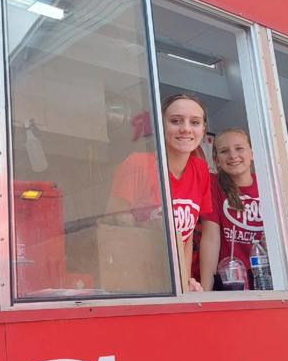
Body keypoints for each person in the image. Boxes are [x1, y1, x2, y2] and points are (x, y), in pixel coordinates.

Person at [107, 94, 214, 291]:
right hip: (134, 283)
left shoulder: (200, 170)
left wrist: (184, 281)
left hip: (172, 286)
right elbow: (113, 230)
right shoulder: (137, 164)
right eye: (175, 121)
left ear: (203, 129)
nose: (186, 129)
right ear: (160, 125)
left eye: (195, 122)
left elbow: (186, 237)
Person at [199, 128, 265, 290]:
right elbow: (211, 239)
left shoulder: (267, 184)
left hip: (265, 276)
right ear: (216, 160)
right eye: (224, 151)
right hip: (230, 278)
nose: (233, 155)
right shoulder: (213, 184)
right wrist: (205, 293)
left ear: (252, 153)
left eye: (239, 148)